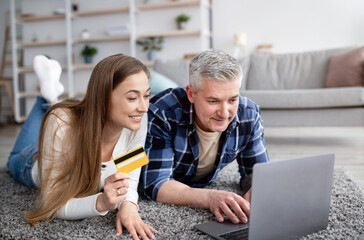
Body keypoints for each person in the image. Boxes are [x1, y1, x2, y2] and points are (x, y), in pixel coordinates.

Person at [7, 54, 157, 240]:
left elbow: (130, 180)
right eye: (133, 98)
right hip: (33, 161)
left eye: (147, 95)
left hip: (65, 137)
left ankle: (51, 94)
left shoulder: (138, 122)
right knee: (12, 159)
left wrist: (128, 206)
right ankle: (45, 97)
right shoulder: (61, 123)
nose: (144, 107)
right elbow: (53, 203)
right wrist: (101, 202)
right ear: (103, 97)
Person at [142, 49, 269, 225]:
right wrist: (210, 197)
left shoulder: (249, 114)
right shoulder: (163, 112)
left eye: (232, 99)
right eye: (213, 101)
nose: (224, 113)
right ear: (191, 94)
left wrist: (258, 189)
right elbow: (156, 184)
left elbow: (257, 172)